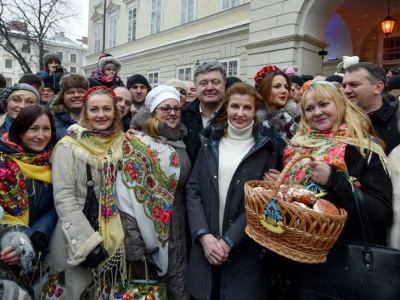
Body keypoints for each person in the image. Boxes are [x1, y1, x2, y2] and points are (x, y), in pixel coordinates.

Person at [265, 80, 393, 298]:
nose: (317, 113)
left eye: (324, 104)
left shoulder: (363, 147)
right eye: (310, 108)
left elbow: (380, 213)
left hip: (340, 262)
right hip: (293, 260)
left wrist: (334, 180)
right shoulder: (297, 146)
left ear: (340, 104)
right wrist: (281, 184)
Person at [186, 82, 284, 300]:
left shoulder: (268, 147)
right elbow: (193, 190)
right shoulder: (210, 141)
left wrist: (230, 239)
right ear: (226, 108)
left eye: (247, 108)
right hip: (206, 249)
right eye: (234, 106)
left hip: (245, 252)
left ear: (255, 111)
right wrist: (203, 235)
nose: (240, 113)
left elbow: (263, 203)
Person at [45, 86, 125, 299]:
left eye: (107, 109)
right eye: (94, 109)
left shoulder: (122, 143)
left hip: (115, 236)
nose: (101, 115)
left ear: (115, 112)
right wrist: (87, 244)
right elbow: (64, 198)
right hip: (78, 237)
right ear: (85, 113)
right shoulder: (68, 146)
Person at [116, 85, 191, 299]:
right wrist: (134, 244)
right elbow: (125, 197)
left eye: (176, 108)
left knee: (177, 284)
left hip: (178, 227)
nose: (172, 113)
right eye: (165, 108)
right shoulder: (137, 143)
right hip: (148, 235)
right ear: (153, 112)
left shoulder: (178, 141)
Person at [0, 105, 58, 254]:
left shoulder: (57, 160)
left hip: (45, 245)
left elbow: (60, 204)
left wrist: (39, 232)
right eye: (33, 129)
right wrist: (20, 237)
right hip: (7, 246)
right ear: (20, 131)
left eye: (46, 129)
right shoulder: (3, 162)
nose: (41, 136)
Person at [343, 62, 400, 155]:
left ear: (378, 87)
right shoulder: (338, 121)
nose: (346, 91)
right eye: (344, 86)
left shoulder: (397, 121)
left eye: (354, 85)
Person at [181, 61, 226, 166]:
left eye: (215, 82)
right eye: (203, 83)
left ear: (224, 85)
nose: (209, 88)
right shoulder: (183, 117)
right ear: (196, 87)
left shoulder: (235, 117)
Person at [254, 65, 301, 142]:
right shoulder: (252, 121)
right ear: (263, 89)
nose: (284, 91)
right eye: (277, 86)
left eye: (286, 87)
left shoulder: (298, 117)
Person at [50, 74, 89, 141]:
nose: (76, 95)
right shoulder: (52, 120)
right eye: (71, 92)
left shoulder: (97, 118)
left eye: (81, 92)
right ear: (62, 96)